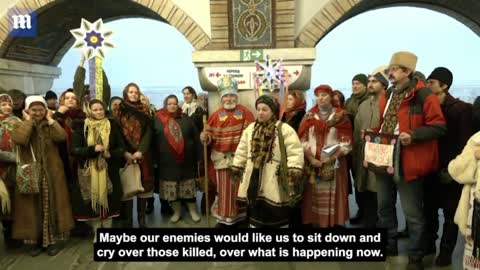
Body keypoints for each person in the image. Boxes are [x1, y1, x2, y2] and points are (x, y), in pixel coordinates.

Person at [374, 51, 446, 270]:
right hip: (383, 155)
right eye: (389, 69)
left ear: (407, 71)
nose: (389, 73)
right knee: (384, 207)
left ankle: (415, 256)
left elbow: (439, 126)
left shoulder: (423, 95)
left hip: (408, 159)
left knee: (412, 213)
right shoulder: (387, 94)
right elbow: (384, 122)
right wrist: (373, 134)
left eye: (394, 69)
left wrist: (412, 135)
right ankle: (390, 246)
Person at [424, 67, 474, 266]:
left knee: (450, 214)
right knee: (428, 211)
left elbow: (465, 143)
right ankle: (429, 245)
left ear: (444, 85)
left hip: (450, 170)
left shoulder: (462, 109)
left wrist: (453, 170)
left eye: (432, 82)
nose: (428, 85)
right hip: (430, 167)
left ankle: (445, 252)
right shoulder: (428, 107)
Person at [12, 96, 74, 256]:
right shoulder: (20, 124)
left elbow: (62, 137)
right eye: (34, 110)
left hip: (51, 173)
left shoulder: (50, 125)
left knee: (50, 206)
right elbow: (20, 139)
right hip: (31, 174)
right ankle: (37, 242)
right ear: (27, 110)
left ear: (46, 110)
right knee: (33, 209)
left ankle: (51, 241)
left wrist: (51, 120)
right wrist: (29, 122)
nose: (37, 113)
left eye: (41, 109)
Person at [231, 95, 304, 228]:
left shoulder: (284, 129)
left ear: (272, 111)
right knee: (255, 209)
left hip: (274, 177)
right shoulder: (250, 129)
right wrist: (237, 166)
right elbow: (242, 149)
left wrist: (294, 169)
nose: (260, 112)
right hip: (253, 177)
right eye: (258, 109)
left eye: (264, 109)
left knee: (276, 209)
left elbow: (295, 151)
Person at [200, 75, 255, 228]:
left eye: (232, 95)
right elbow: (209, 136)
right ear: (222, 98)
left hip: (240, 160)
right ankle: (225, 219)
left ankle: (241, 218)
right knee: (224, 190)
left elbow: (251, 135)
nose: (229, 99)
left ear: (236, 97)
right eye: (226, 96)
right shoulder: (215, 115)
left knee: (240, 190)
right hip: (222, 160)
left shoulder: (245, 113)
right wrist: (205, 137)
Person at [299, 84, 352, 228]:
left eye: (324, 95)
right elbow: (302, 140)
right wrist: (310, 158)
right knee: (313, 196)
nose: (320, 98)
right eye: (318, 95)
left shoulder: (341, 116)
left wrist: (332, 158)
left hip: (334, 165)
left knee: (332, 197)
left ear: (331, 97)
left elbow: (347, 142)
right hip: (313, 164)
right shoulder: (309, 116)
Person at [71, 99, 125, 241]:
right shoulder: (81, 126)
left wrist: (111, 154)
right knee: (93, 203)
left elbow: (121, 148)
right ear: (89, 111)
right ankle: (97, 232)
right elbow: (75, 150)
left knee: (110, 201)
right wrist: (92, 149)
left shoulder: (112, 125)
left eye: (100, 109)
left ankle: (107, 233)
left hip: (110, 170)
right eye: (95, 110)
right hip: (89, 171)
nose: (99, 112)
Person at [155, 95, 202, 223]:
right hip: (167, 162)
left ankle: (193, 211)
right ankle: (177, 212)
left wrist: (199, 156)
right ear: (165, 105)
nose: (172, 106)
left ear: (178, 105)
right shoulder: (158, 119)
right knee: (173, 192)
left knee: (189, 189)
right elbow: (154, 140)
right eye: (169, 103)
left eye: (174, 103)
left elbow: (196, 138)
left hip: (187, 161)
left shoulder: (185, 118)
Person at [352, 65, 389, 228]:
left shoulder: (390, 104)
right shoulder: (364, 106)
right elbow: (356, 132)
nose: (370, 84)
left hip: (383, 158)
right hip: (363, 156)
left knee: (382, 200)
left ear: (384, 84)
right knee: (365, 195)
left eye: (374, 81)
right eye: (369, 81)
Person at [53, 89, 91, 237]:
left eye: (73, 98)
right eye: (66, 98)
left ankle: (80, 223)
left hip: (79, 160)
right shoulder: (56, 117)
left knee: (78, 193)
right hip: (60, 160)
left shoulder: (83, 117)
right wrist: (59, 115)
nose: (70, 100)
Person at [116, 83, 154, 228]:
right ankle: (129, 221)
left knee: (144, 187)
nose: (133, 94)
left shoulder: (145, 111)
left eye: (136, 92)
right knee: (128, 187)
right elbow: (117, 134)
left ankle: (142, 219)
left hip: (143, 155)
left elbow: (148, 133)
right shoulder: (120, 111)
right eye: (130, 92)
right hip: (125, 155)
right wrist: (125, 152)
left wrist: (140, 151)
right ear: (126, 94)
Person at [448, 132, 480, 270]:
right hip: (475, 214)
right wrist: (474, 157)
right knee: (473, 260)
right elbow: (454, 169)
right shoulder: (476, 139)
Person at [344, 74, 370, 225]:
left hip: (365, 146)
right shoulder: (350, 101)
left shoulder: (369, 101)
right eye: (353, 83)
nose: (355, 86)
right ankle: (362, 211)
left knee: (368, 182)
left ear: (365, 85)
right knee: (358, 181)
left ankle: (370, 214)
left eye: (358, 83)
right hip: (353, 146)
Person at [0, 94, 22, 249]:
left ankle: (15, 235)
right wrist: (14, 157)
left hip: (17, 169)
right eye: (3, 104)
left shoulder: (17, 121)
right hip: (2, 169)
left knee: (16, 202)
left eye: (9, 104)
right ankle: (8, 234)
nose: (7, 107)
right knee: (4, 203)